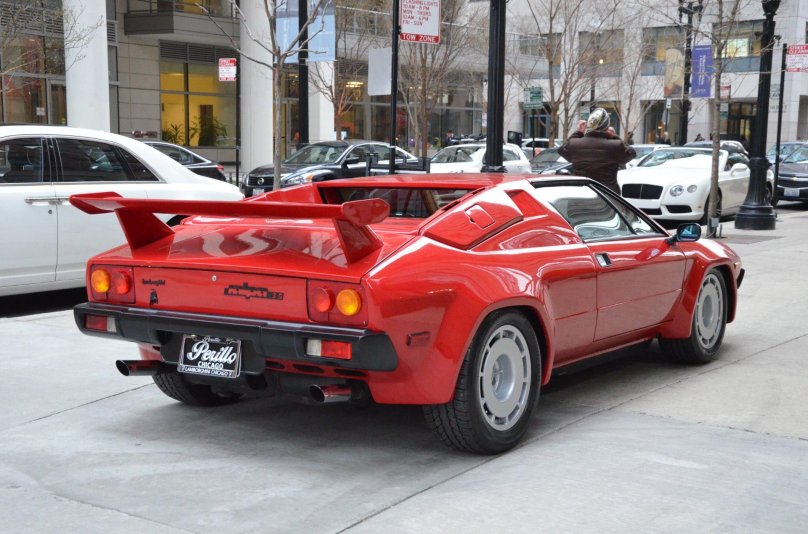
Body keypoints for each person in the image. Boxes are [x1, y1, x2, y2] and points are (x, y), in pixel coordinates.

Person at [558, 108, 635, 195]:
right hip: (608, 194)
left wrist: (579, 132)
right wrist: (614, 136)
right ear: (606, 126)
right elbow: (631, 153)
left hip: (581, 192)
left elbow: (561, 150)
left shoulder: (574, 143)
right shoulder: (615, 145)